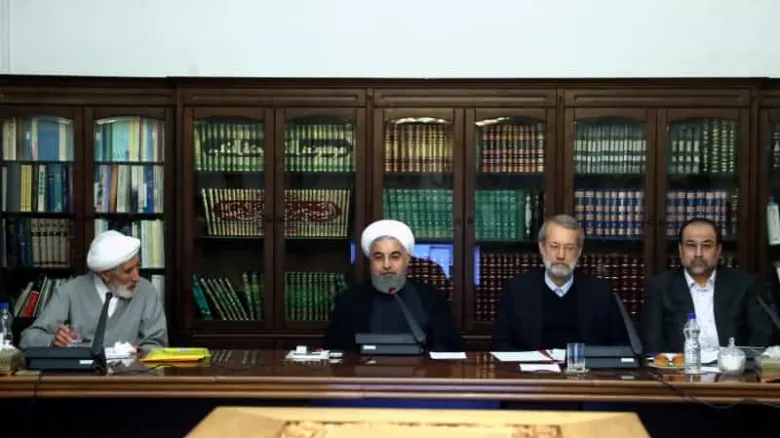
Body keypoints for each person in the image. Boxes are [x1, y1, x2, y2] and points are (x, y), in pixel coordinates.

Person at [491, 214, 628, 351]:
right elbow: (500, 344)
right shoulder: (517, 290)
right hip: (533, 365)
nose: (561, 255)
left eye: (569, 248)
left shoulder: (600, 293)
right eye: (554, 246)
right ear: (542, 248)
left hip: (583, 365)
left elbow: (620, 346)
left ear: (579, 251)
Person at [323, 219, 463, 352]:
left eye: (395, 257)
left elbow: (450, 349)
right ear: (370, 261)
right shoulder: (348, 300)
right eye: (378, 257)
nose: (386, 265)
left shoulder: (430, 299)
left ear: (407, 259)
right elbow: (336, 352)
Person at [20, 230, 168, 349]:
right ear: (106, 274)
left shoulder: (146, 291)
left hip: (130, 374)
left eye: (138, 266)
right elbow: (28, 338)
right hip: (81, 375)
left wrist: (140, 353)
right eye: (128, 271)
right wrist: (53, 341)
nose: (136, 277)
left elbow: (157, 343)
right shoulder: (70, 292)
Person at [642, 217, 773, 352]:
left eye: (706, 246)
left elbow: (761, 339)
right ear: (681, 250)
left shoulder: (744, 284)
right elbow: (652, 344)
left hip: (732, 364)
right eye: (691, 246)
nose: (698, 254)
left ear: (718, 250)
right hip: (682, 364)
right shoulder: (659, 287)